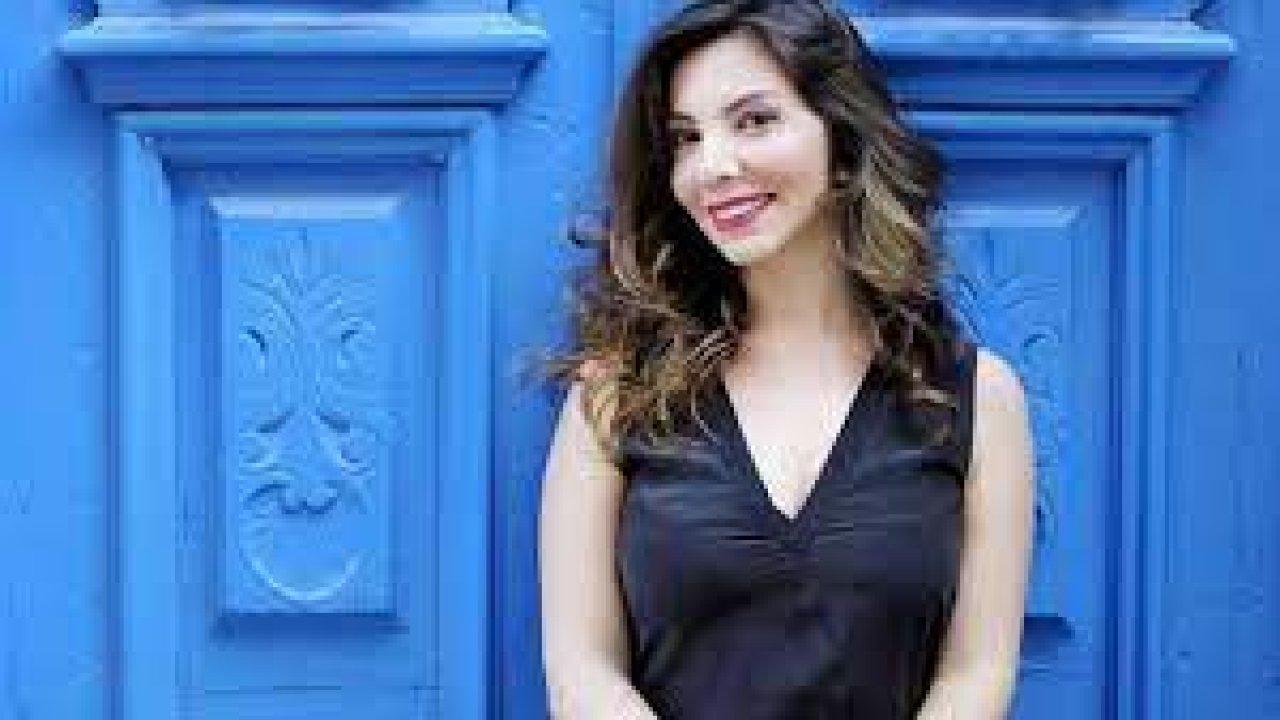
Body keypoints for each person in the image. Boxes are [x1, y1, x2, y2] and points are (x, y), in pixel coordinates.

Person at [538, 1, 1034, 717]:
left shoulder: (978, 399)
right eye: (685, 138)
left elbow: (976, 674)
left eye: (754, 121)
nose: (711, 167)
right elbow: (582, 672)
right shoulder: (617, 392)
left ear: (844, 144)